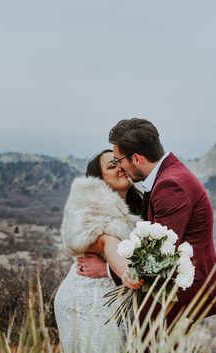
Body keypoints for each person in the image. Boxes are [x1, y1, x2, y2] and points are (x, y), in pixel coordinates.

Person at [79, 118, 216, 322]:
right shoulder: (167, 176)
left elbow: (158, 257)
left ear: (136, 158)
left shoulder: (170, 186)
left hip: (179, 296)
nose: (119, 167)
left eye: (119, 160)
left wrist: (106, 269)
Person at [54, 149, 143, 353]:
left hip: (115, 298)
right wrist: (126, 273)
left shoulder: (137, 207)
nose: (120, 168)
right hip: (87, 298)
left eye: (121, 162)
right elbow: (107, 241)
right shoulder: (91, 208)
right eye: (112, 166)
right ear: (98, 181)